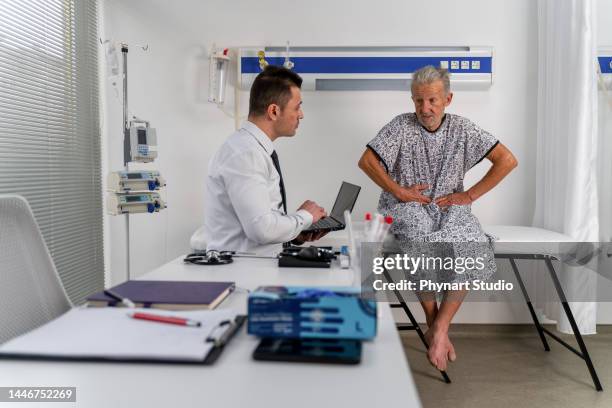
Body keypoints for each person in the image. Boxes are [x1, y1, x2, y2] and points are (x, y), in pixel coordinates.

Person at [358, 65, 518, 371]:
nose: (424, 108)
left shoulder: (463, 129)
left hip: (448, 207)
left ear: (448, 99)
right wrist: (400, 191)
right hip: (406, 208)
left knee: (471, 243)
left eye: (431, 100)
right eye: (418, 100)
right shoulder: (400, 127)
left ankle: (439, 327)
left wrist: (469, 196)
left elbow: (507, 160)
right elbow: (366, 161)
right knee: (419, 241)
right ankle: (434, 323)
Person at [195, 65, 327, 255]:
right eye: (297, 107)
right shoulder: (245, 154)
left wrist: (296, 232)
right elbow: (261, 229)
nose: (301, 114)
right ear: (273, 111)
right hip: (243, 273)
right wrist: (305, 216)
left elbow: (263, 220)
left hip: (254, 266)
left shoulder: (253, 149)